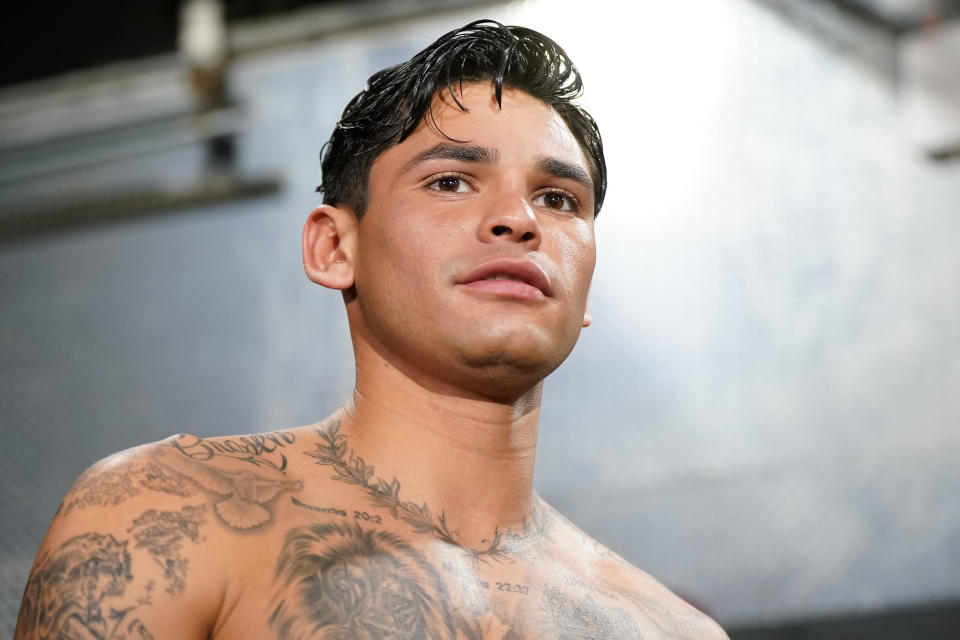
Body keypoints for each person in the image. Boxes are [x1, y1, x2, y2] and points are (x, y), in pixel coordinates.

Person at [15, 20, 728, 639]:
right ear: (334, 248)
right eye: (451, 181)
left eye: (557, 197)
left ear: (587, 284)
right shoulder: (164, 519)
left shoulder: (668, 630)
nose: (521, 220)